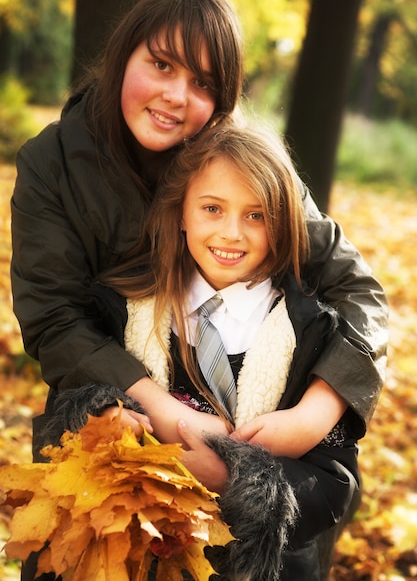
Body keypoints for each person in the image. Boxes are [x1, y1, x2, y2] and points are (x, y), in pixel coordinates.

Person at [9, 0, 387, 581]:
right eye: (160, 64)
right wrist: (161, 411)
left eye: (204, 82)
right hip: (111, 434)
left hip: (259, 453)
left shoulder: (241, 162)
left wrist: (315, 413)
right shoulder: (50, 165)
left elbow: (357, 289)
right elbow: (53, 320)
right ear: (123, 55)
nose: (175, 96)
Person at [82, 120, 359, 580]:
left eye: (256, 215)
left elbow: (333, 484)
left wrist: (233, 479)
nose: (232, 233)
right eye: (212, 208)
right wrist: (105, 421)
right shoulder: (122, 310)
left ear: (284, 221)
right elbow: (76, 412)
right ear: (180, 213)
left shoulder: (310, 328)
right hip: (141, 560)